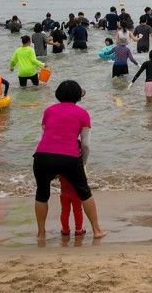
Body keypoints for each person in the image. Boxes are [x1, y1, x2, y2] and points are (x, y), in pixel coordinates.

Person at [33, 80, 106, 240]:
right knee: (84, 193)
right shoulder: (82, 113)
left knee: (42, 194)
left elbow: (42, 136)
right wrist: (83, 162)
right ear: (78, 96)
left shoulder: (49, 111)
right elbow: (85, 144)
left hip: (42, 155)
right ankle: (96, 230)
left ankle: (41, 233)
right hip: (69, 157)